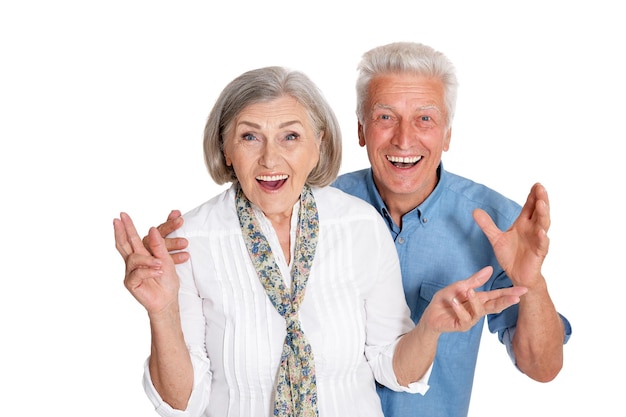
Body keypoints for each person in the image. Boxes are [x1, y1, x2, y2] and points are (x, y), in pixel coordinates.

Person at [151, 43, 572, 417]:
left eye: (425, 119)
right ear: (359, 130)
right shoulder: (305, 203)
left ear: (448, 134)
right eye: (385, 117)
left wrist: (530, 282)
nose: (404, 139)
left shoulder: (496, 222)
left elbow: (543, 368)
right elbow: (186, 392)